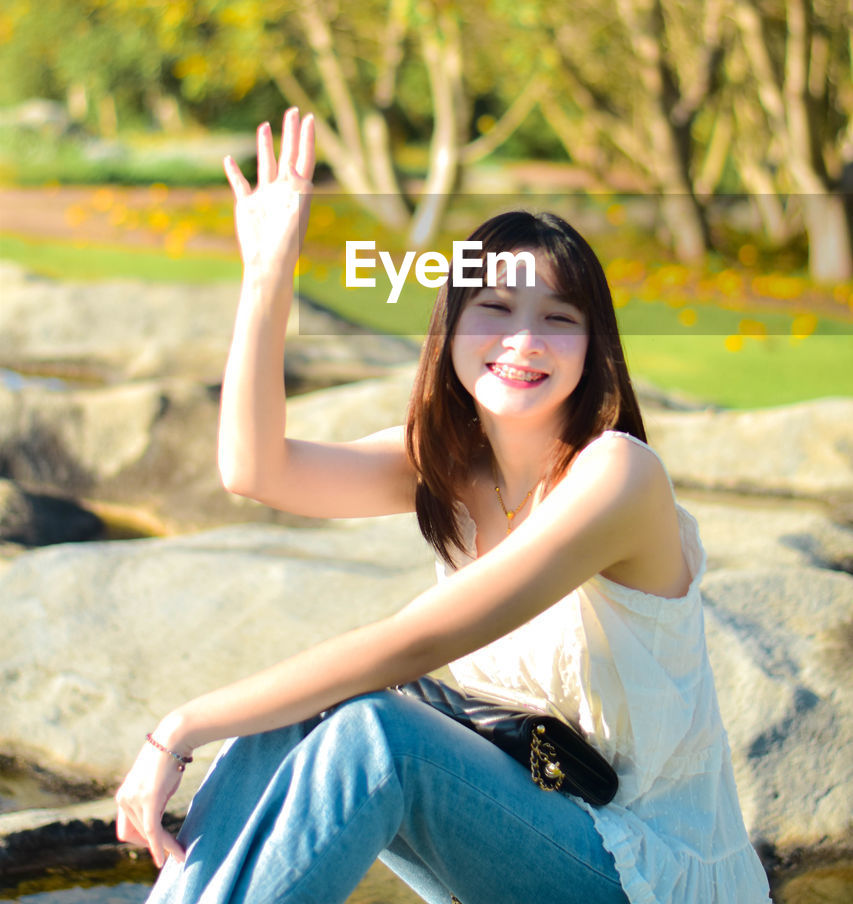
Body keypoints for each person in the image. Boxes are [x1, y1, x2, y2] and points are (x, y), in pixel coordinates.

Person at [115, 108, 772, 904]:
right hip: (528, 825)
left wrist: (179, 727)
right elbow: (255, 470)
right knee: (290, 716)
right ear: (450, 323)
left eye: (557, 320)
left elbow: (414, 642)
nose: (523, 341)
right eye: (494, 308)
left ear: (593, 348)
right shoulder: (445, 464)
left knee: (374, 733)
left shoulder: (616, 477)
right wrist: (266, 274)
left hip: (646, 871)